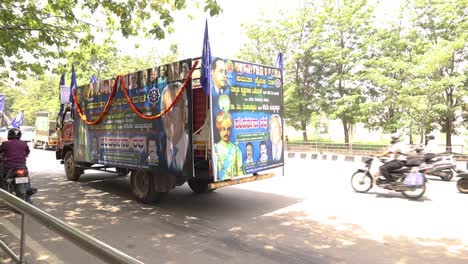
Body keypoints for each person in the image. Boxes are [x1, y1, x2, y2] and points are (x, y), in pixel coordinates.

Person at [161, 82, 188, 172]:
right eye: (165, 108)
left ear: (185, 112)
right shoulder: (158, 148)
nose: (169, 114)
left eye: (174, 107)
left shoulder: (189, 150)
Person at [0, 128, 34, 194]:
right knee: (26, 176)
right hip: (22, 166)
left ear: (9, 135)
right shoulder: (24, 143)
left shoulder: (5, 144)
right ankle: (29, 189)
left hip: (9, 167)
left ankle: (2, 187)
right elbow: (27, 152)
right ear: (19, 135)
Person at [213, 111, 243, 180]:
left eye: (228, 129)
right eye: (223, 129)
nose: (226, 132)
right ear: (219, 130)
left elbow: (240, 171)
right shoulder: (215, 148)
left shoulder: (236, 149)